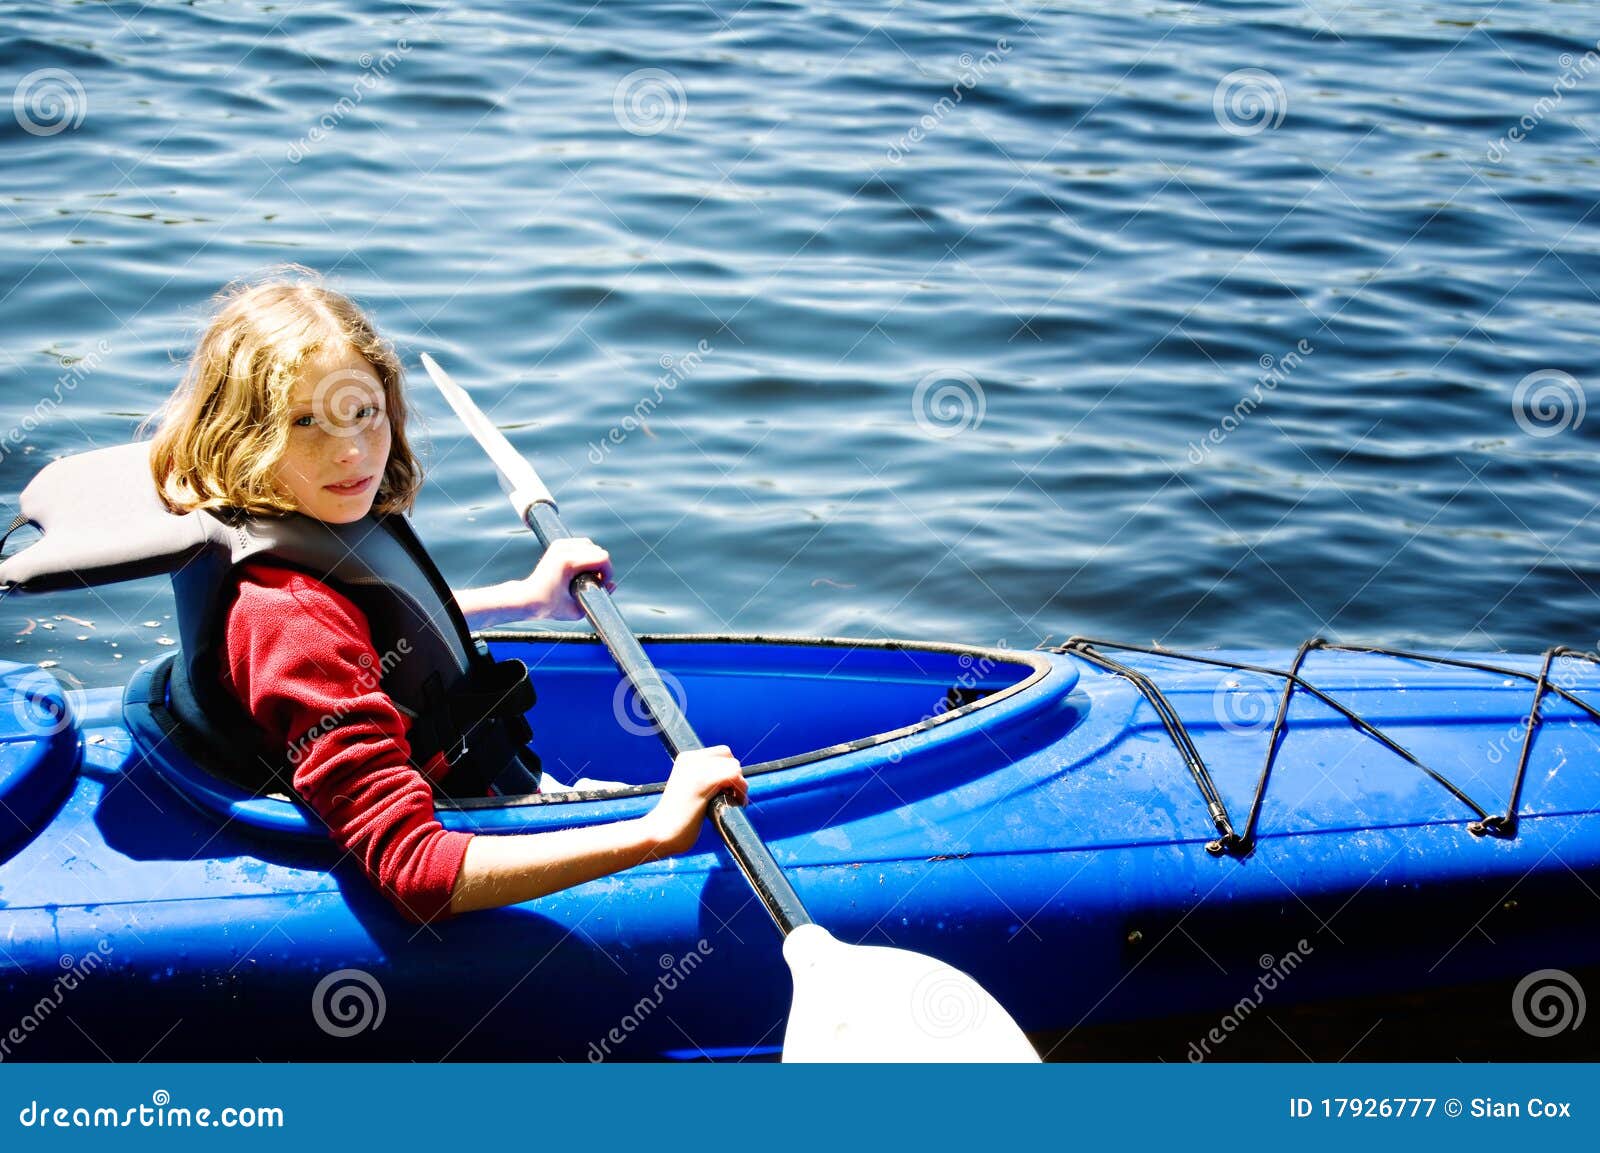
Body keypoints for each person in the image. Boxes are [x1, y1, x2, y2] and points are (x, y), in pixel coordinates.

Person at [145, 270, 746, 924]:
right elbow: (413, 869)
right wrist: (655, 833)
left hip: (489, 791)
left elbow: (370, 635)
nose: (349, 451)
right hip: (464, 847)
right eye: (304, 421)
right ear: (240, 438)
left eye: (363, 411)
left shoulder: (298, 524)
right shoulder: (286, 618)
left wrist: (526, 596)